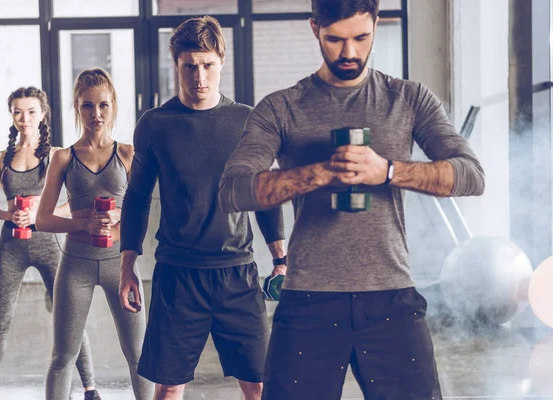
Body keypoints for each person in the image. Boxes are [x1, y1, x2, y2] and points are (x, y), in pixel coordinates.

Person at [218, 0, 486, 399]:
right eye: (336, 39)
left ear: (376, 23)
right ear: (315, 29)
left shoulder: (408, 99)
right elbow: (233, 190)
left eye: (361, 37)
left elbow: (471, 175)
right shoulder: (282, 107)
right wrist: (322, 171)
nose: (349, 52)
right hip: (309, 297)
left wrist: (388, 171)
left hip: (391, 297)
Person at [118, 16, 286, 400]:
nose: (199, 76)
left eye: (207, 65)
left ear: (221, 63)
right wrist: (127, 264)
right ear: (176, 65)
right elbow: (137, 197)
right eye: (189, 66)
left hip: (237, 275)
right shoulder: (155, 124)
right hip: (178, 276)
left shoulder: (247, 121)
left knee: (261, 386)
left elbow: (261, 192)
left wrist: (281, 257)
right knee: (170, 388)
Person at [36, 68, 154, 400]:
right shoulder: (63, 158)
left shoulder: (128, 155)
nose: (96, 114)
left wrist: (117, 228)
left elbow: (142, 213)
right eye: (87, 106)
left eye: (103, 105)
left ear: (113, 105)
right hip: (76, 265)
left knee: (139, 356)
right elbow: (43, 219)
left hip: (121, 265)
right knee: (62, 358)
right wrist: (83, 224)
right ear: (77, 107)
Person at [0, 87, 99, 400]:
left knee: (69, 317)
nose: (24, 118)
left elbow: (74, 202)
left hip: (48, 245)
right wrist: (10, 213)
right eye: (17, 111)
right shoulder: (2, 158)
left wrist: (39, 214)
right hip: (11, 247)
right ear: (12, 116)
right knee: (0, 319)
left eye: (31, 111)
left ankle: (90, 388)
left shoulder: (56, 155)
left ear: (42, 114)